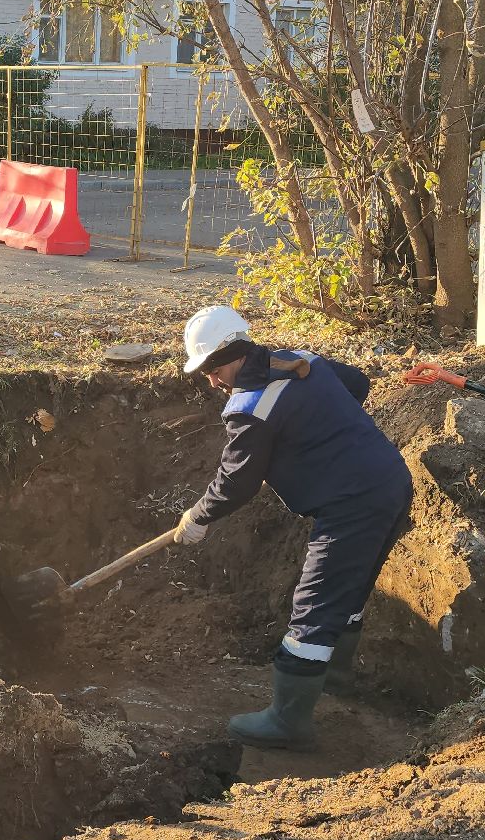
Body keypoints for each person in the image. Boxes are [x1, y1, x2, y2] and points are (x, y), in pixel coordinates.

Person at [171, 305, 412, 751]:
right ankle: (335, 678)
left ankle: (288, 720)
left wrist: (199, 517)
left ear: (236, 353)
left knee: (315, 602)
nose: (212, 381)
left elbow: (236, 482)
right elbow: (358, 384)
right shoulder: (301, 361)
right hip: (391, 482)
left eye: (214, 369)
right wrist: (320, 434)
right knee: (351, 588)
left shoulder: (250, 407)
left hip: (353, 503)